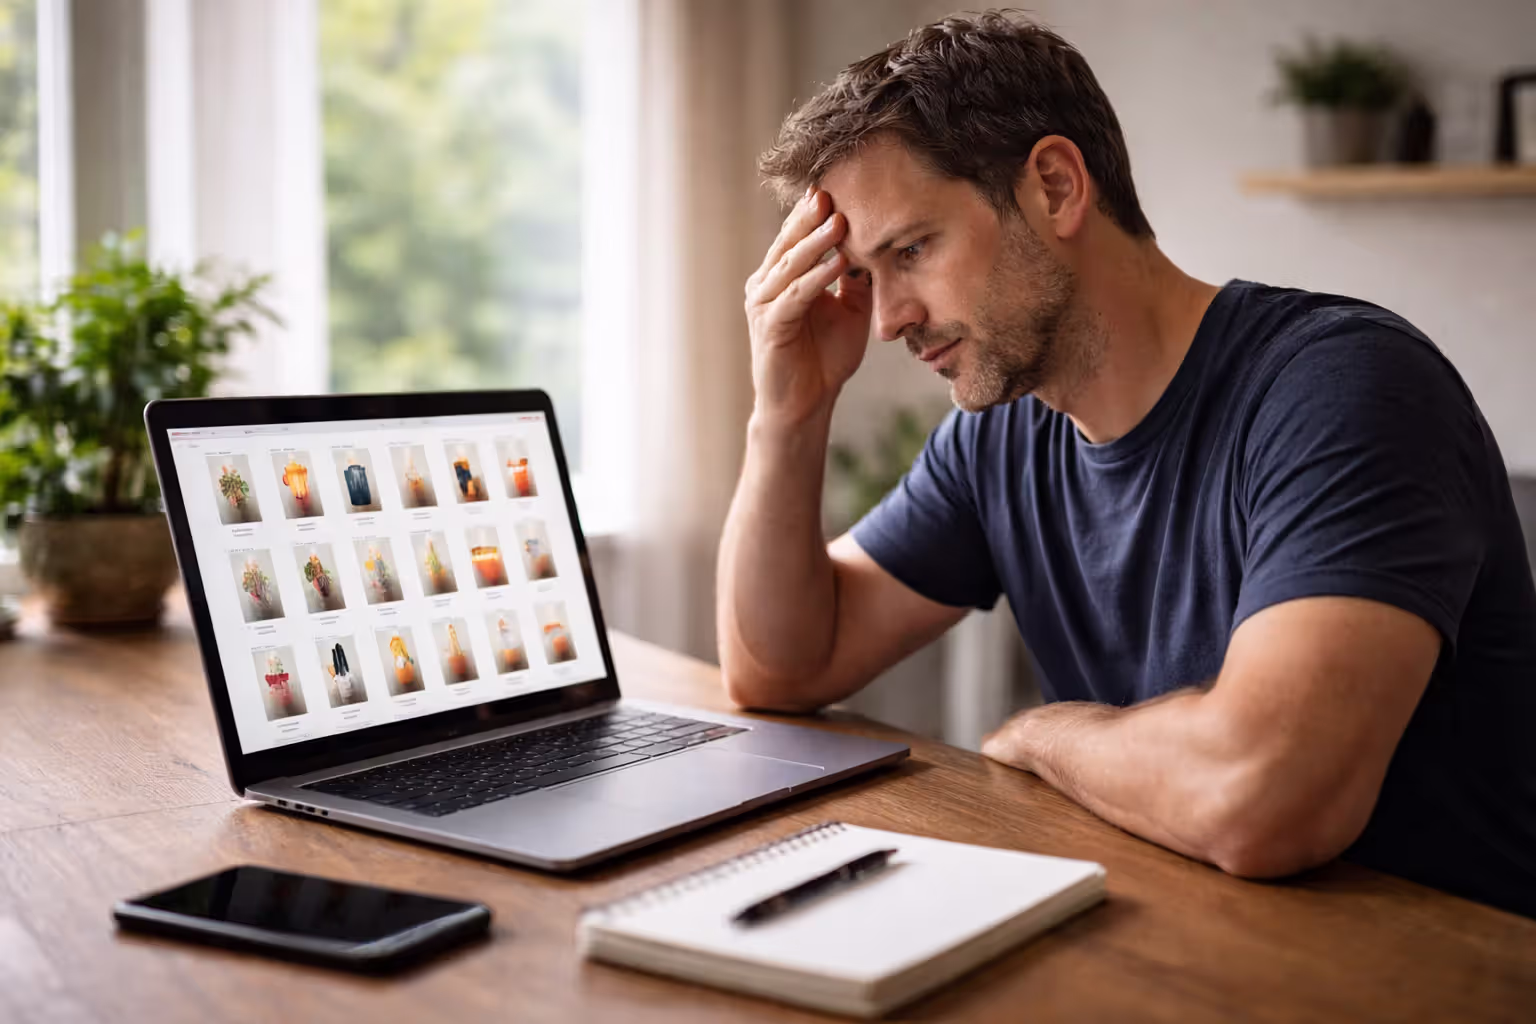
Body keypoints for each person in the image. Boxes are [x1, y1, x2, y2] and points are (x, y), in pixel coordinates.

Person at [717, 11, 1536, 918]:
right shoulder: (1005, 434)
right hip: (1191, 940)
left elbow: (1262, 797)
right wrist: (789, 412)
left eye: (911, 250)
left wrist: (1048, 734)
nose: (887, 321)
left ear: (1057, 187)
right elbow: (781, 667)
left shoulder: (1349, 389)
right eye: (867, 276)